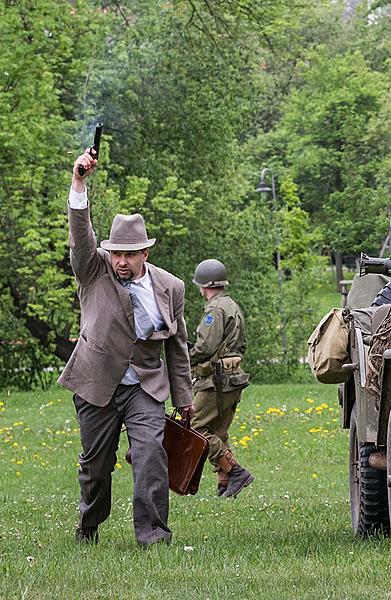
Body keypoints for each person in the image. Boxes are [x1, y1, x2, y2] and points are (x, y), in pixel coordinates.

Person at [59, 150, 194, 546]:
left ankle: (153, 536)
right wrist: (79, 183)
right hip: (97, 382)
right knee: (96, 468)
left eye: (129, 254)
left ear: (144, 254)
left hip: (144, 387)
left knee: (151, 457)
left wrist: (184, 397)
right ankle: (89, 525)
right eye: (116, 252)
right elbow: (81, 239)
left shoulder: (171, 288)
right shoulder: (93, 269)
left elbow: (178, 347)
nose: (120, 261)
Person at [189, 259, 253, 498]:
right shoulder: (232, 305)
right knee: (218, 430)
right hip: (232, 378)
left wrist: (187, 356)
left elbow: (205, 346)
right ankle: (225, 482)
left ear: (203, 285)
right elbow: (241, 345)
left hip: (216, 380)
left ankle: (235, 471)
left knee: (195, 427)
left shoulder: (215, 309)